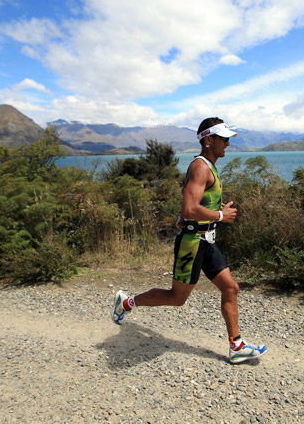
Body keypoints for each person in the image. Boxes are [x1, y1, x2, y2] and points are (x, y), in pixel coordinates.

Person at [111, 117, 267, 364]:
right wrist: (220, 215)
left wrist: (217, 211)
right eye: (223, 138)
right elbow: (189, 209)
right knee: (177, 298)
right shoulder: (200, 167)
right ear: (208, 139)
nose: (228, 143)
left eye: (228, 138)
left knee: (230, 288)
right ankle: (127, 302)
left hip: (207, 240)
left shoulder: (209, 166)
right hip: (192, 244)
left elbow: (194, 201)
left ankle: (236, 346)